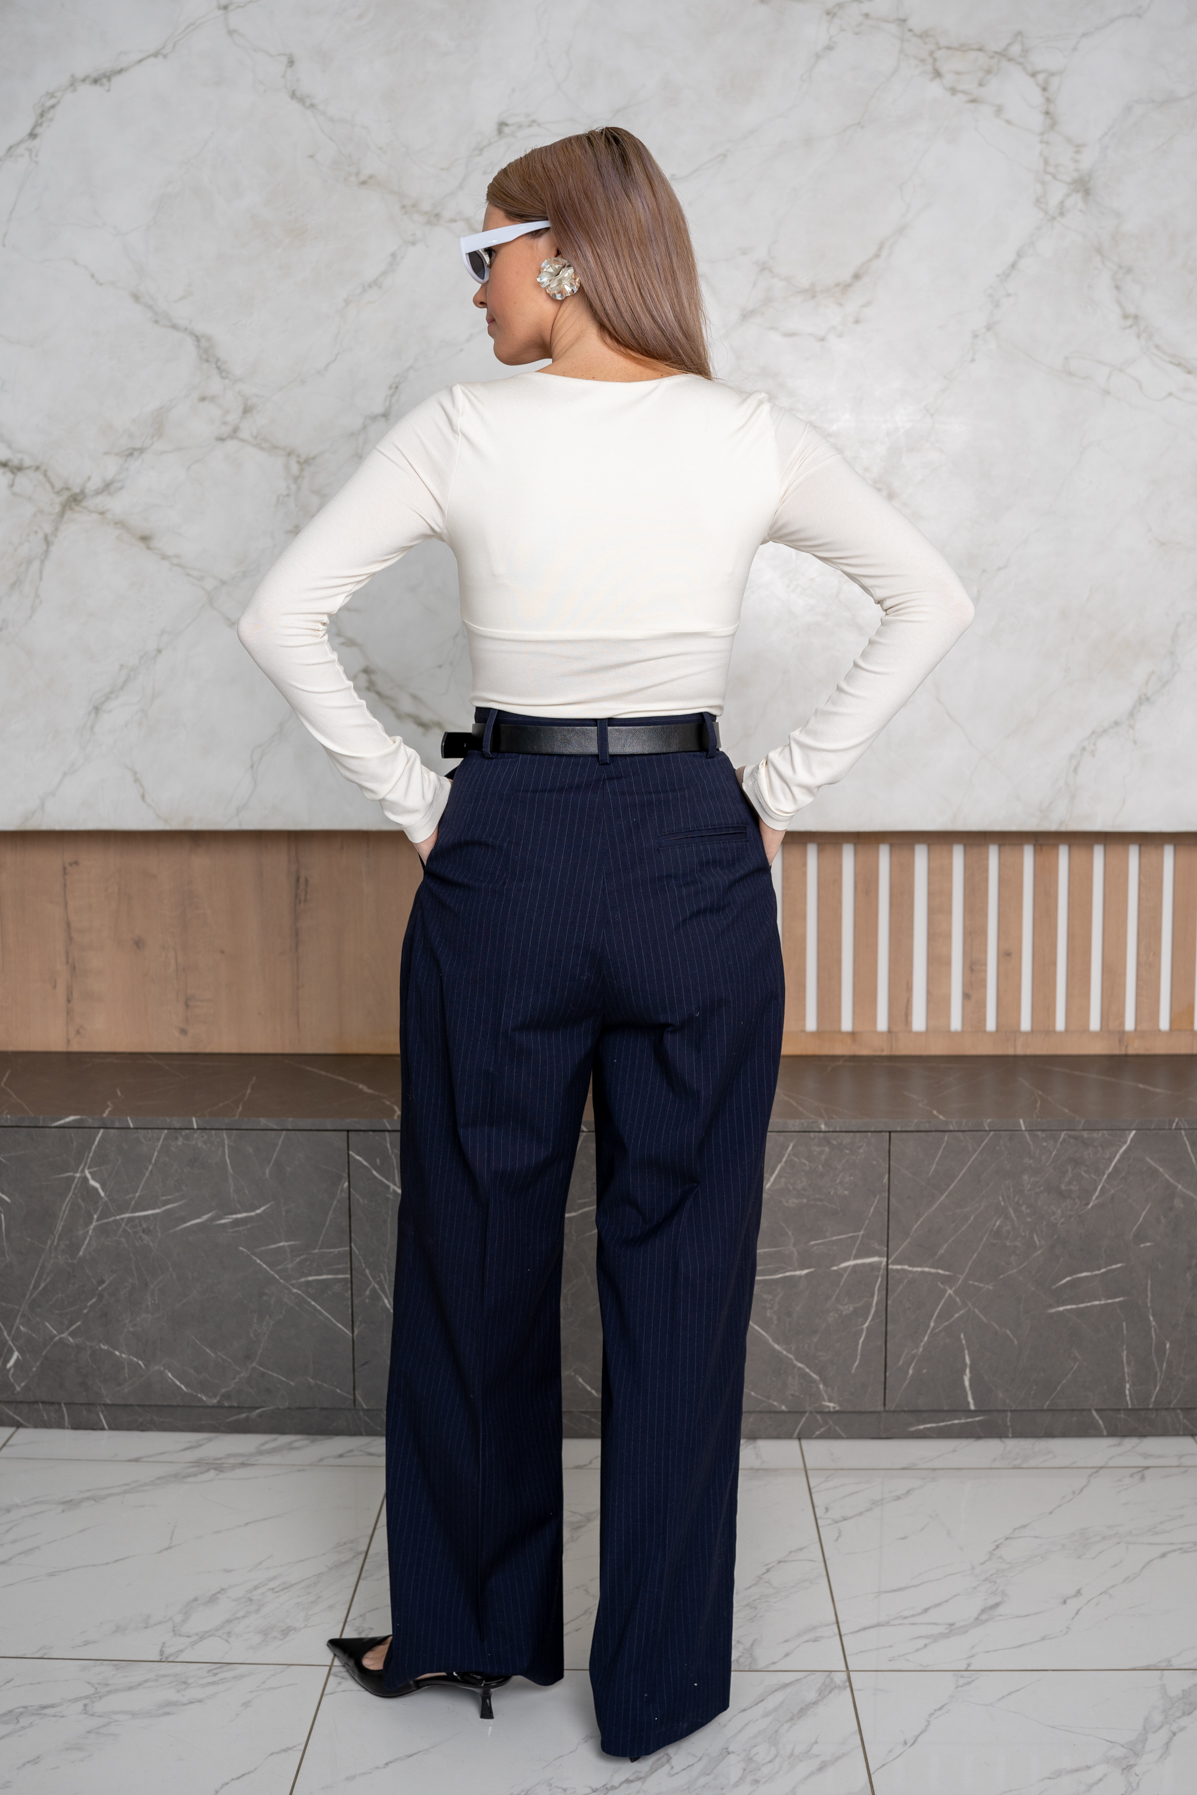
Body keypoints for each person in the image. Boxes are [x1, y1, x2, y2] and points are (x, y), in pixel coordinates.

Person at [237, 125, 972, 1761]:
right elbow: (933, 597)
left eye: (484, 252)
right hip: (690, 846)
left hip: (507, 851)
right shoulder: (745, 431)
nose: (476, 288)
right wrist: (773, 793)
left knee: (474, 1254)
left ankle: (469, 1630)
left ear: (560, 254)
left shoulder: (460, 430)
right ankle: (656, 1686)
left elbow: (276, 614)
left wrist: (419, 808)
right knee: (684, 1269)